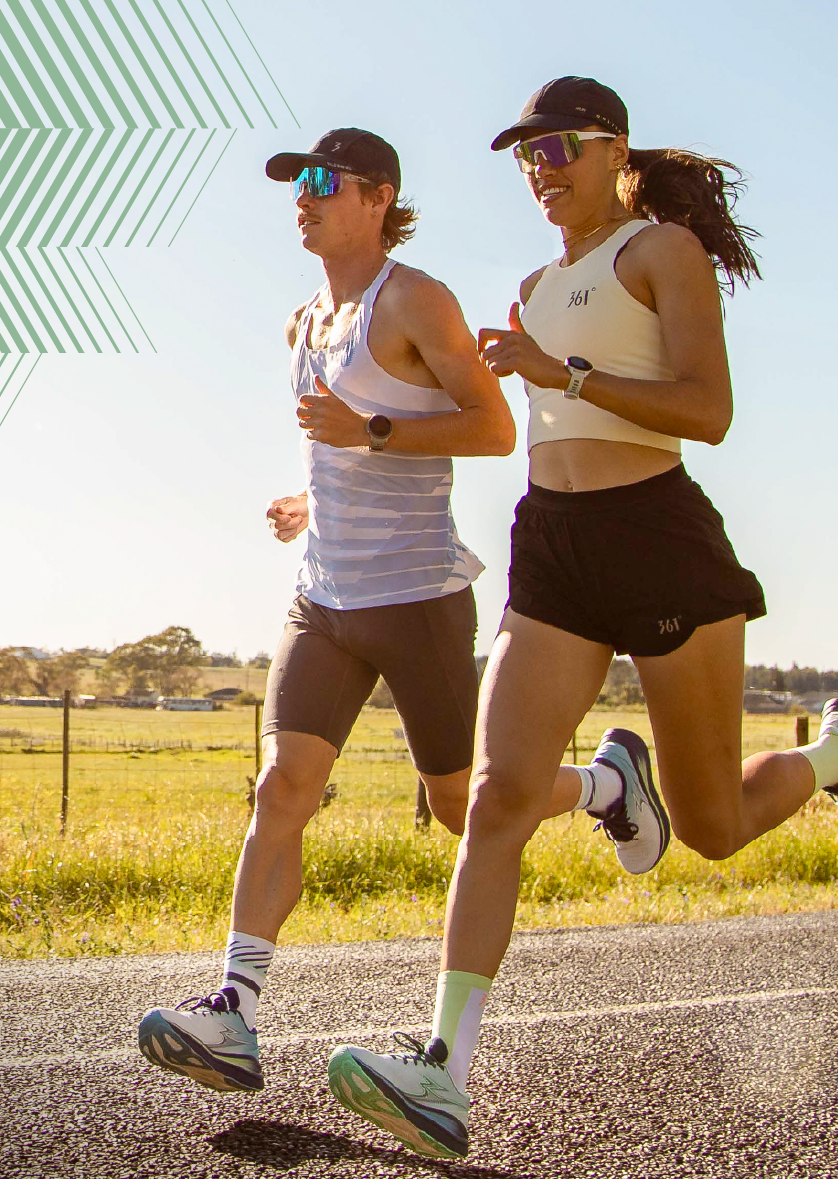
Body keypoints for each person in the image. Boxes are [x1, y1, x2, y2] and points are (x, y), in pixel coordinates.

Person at [326, 79, 838, 1161]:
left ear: (611, 149)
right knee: (495, 796)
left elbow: (707, 410)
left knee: (711, 829)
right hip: (551, 542)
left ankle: (834, 754)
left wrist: (564, 372)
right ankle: (443, 1073)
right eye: (523, 156)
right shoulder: (534, 280)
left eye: (554, 148)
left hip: (655, 536)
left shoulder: (657, 254)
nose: (538, 168)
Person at [138, 124, 667, 1096]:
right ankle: (235, 1010)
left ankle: (604, 787)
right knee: (282, 786)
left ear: (377, 195)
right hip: (323, 597)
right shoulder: (302, 320)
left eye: (318, 180)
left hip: (417, 596)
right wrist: (310, 496)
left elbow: (494, 426)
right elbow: (332, 445)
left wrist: (371, 428)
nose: (299, 196)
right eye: (292, 183)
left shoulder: (417, 298)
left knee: (462, 804)